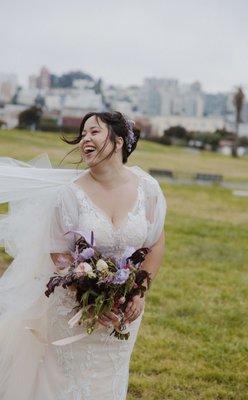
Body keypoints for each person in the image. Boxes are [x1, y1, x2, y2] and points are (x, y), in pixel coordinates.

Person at [0, 111, 167, 399]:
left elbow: (155, 244)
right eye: (83, 134)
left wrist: (138, 292)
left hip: (124, 310)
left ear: (118, 141)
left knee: (108, 381)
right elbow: (60, 255)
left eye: (94, 132)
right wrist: (90, 297)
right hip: (73, 308)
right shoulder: (70, 194)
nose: (85, 140)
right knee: (64, 384)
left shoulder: (147, 189)